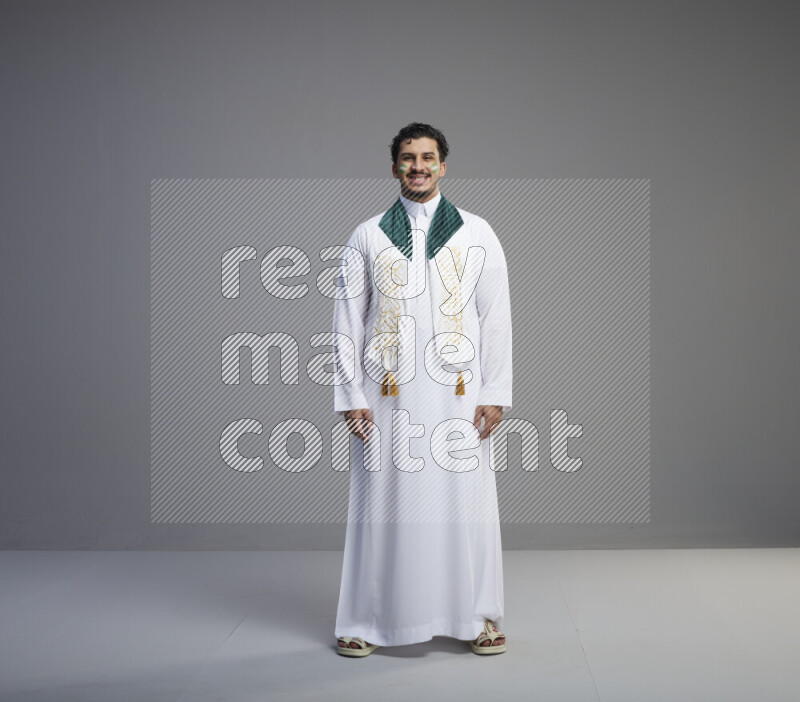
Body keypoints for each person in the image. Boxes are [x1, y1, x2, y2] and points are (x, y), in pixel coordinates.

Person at [331, 122, 512, 657]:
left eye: (428, 157)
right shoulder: (367, 235)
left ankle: (478, 616)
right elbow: (346, 320)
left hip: (459, 393)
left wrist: (495, 389)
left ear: (443, 165)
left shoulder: (477, 233)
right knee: (379, 507)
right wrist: (350, 397)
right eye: (408, 158)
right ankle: (363, 620)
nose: (418, 166)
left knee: (467, 505)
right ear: (394, 168)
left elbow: (495, 316)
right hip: (385, 396)